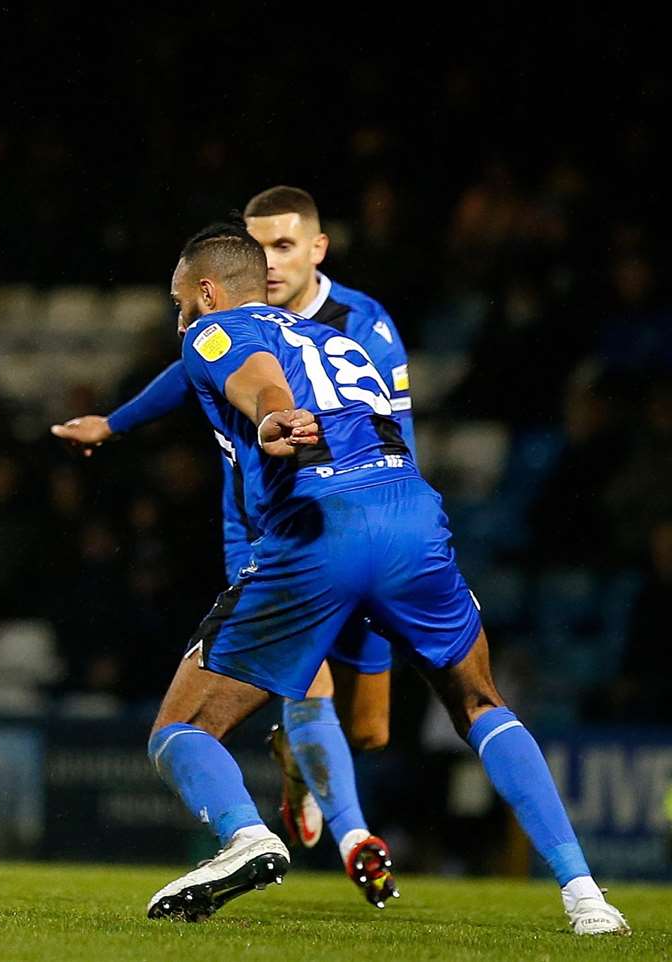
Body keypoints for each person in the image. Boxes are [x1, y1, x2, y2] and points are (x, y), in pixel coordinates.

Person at [141, 222, 627, 937]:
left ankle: (247, 836)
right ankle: (587, 896)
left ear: (209, 292)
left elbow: (256, 379)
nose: (179, 319)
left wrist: (274, 417)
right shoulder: (344, 340)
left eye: (181, 302)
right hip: (411, 521)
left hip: (320, 528)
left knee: (179, 729)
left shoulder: (215, 332)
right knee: (478, 703)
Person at [52, 186, 409, 905]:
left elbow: (286, 394)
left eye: (283, 246)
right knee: (308, 685)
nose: (272, 262)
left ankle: (280, 792)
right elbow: (221, 375)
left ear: (317, 249)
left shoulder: (359, 326)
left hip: (357, 526)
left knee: (368, 730)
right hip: (278, 534)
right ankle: (353, 836)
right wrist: (116, 424)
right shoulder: (231, 333)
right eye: (259, 247)